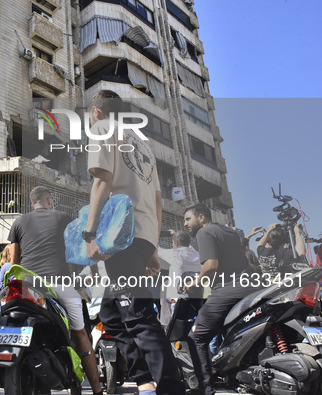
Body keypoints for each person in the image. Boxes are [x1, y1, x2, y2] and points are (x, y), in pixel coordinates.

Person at [83, 90, 183, 395]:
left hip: (121, 236)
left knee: (137, 313)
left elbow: (103, 181)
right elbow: (157, 199)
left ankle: (168, 388)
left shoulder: (102, 129)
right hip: (140, 235)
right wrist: (151, 246)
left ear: (97, 111)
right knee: (112, 314)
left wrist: (89, 234)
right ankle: (145, 381)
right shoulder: (143, 143)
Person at [8, 186, 103, 395]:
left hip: (27, 286)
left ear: (32, 203)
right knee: (80, 333)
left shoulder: (18, 222)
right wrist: (94, 271)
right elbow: (81, 248)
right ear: (49, 199)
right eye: (51, 200)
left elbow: (14, 263)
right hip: (58, 284)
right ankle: (97, 390)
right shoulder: (62, 218)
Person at [183, 203, 260, 395]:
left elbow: (211, 265)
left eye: (187, 219)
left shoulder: (204, 233)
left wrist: (195, 282)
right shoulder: (231, 232)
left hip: (228, 290)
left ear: (201, 217)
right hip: (252, 287)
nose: (185, 224)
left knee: (196, 337)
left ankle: (205, 389)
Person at [158, 230, 201, 325]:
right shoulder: (198, 255)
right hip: (195, 300)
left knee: (176, 330)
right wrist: (176, 236)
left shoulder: (175, 254)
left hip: (178, 301)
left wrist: (157, 235)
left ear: (176, 242)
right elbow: (189, 248)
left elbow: (157, 249)